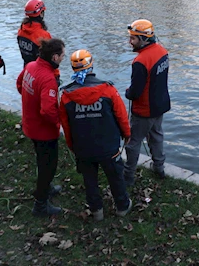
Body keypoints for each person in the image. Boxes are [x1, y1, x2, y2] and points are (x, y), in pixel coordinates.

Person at [59, 50, 132, 221]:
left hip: (83, 147)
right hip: (108, 146)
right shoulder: (108, 89)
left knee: (89, 179)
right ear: (91, 65)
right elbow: (121, 115)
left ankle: (96, 210)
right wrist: (127, 134)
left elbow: (66, 125)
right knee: (115, 177)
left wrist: (71, 145)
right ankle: (122, 206)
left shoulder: (66, 96)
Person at [18, 38, 66, 216]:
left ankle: (46, 188)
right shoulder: (48, 79)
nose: (63, 58)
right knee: (49, 166)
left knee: (41, 159)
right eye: (62, 56)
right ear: (54, 57)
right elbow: (47, 111)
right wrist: (59, 123)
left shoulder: (31, 66)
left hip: (30, 125)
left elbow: (19, 84)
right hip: (44, 131)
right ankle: (40, 204)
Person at [123, 20, 170, 186]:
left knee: (133, 142)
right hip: (160, 105)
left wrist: (128, 93)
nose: (130, 42)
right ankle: (159, 167)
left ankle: (128, 175)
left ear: (144, 39)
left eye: (133, 38)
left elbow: (135, 92)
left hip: (144, 110)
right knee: (157, 136)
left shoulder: (140, 62)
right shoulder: (162, 52)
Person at [17, 0, 50, 68]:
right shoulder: (43, 35)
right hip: (41, 72)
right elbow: (51, 59)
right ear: (41, 14)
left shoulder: (21, 30)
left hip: (27, 69)